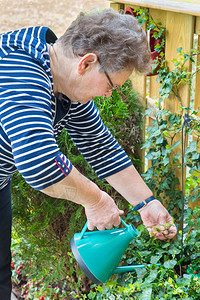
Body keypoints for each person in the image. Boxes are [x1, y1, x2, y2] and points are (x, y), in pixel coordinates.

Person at [0, 8, 177, 299]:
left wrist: (147, 203)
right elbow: (39, 161)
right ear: (86, 62)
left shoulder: (65, 83)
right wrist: (96, 200)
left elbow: (100, 145)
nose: (109, 96)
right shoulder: (20, 69)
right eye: (110, 86)